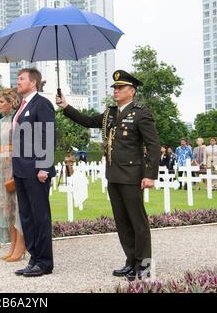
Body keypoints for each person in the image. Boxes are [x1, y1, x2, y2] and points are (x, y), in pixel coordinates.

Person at [56, 70, 160, 281]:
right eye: (114, 87)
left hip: (132, 175)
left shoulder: (141, 113)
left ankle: (145, 265)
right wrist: (65, 106)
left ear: (131, 91)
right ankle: (131, 262)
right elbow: (86, 121)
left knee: (138, 222)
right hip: (113, 175)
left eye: (120, 87)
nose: (116, 90)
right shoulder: (109, 114)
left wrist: (150, 175)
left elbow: (153, 145)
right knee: (122, 222)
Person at [12, 68, 56, 278]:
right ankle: (34, 257)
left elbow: (47, 135)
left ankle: (45, 262)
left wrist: (44, 167)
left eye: (21, 79)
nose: (17, 81)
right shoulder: (21, 106)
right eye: (18, 78)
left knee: (40, 216)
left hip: (36, 170)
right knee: (27, 217)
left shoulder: (42, 104)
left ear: (34, 82)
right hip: (21, 169)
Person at [0, 89, 26, 262]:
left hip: (14, 166)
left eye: (1, 102)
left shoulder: (17, 120)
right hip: (2, 167)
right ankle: (12, 246)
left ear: (11, 102)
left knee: (18, 208)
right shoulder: (0, 123)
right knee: (8, 210)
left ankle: (20, 247)